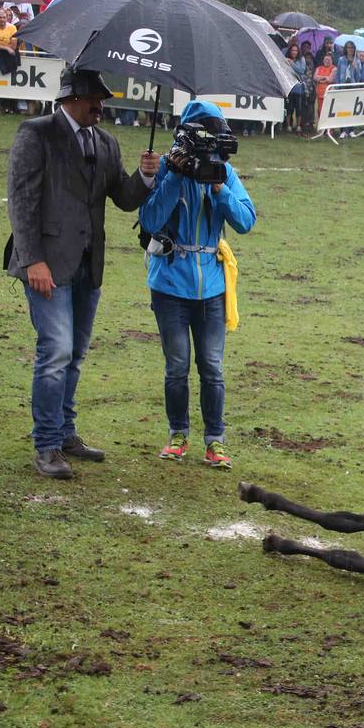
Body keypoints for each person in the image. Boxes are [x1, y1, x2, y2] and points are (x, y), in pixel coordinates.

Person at [5, 69, 159, 479]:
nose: (101, 106)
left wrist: (145, 176)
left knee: (74, 353)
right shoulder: (36, 133)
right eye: (95, 98)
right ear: (72, 96)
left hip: (89, 266)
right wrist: (32, 258)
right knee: (55, 351)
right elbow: (22, 202)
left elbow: (123, 200)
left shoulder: (105, 142)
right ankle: (48, 444)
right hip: (47, 265)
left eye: (103, 99)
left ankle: (66, 432)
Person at [139, 101, 255, 468]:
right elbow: (150, 218)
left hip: (212, 289)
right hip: (170, 285)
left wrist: (219, 187)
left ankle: (215, 441)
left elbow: (246, 221)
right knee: (176, 366)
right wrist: (173, 175)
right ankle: (177, 434)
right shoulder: (166, 169)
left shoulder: (225, 173)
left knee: (212, 368)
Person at [312, 53, 334, 124]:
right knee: (320, 110)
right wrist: (324, 78)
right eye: (325, 59)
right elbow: (315, 77)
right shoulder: (319, 68)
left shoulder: (334, 68)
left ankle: (329, 128)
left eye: (328, 59)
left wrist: (320, 78)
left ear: (331, 60)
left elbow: (330, 79)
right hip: (320, 93)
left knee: (328, 111)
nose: (327, 61)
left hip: (329, 94)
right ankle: (321, 126)